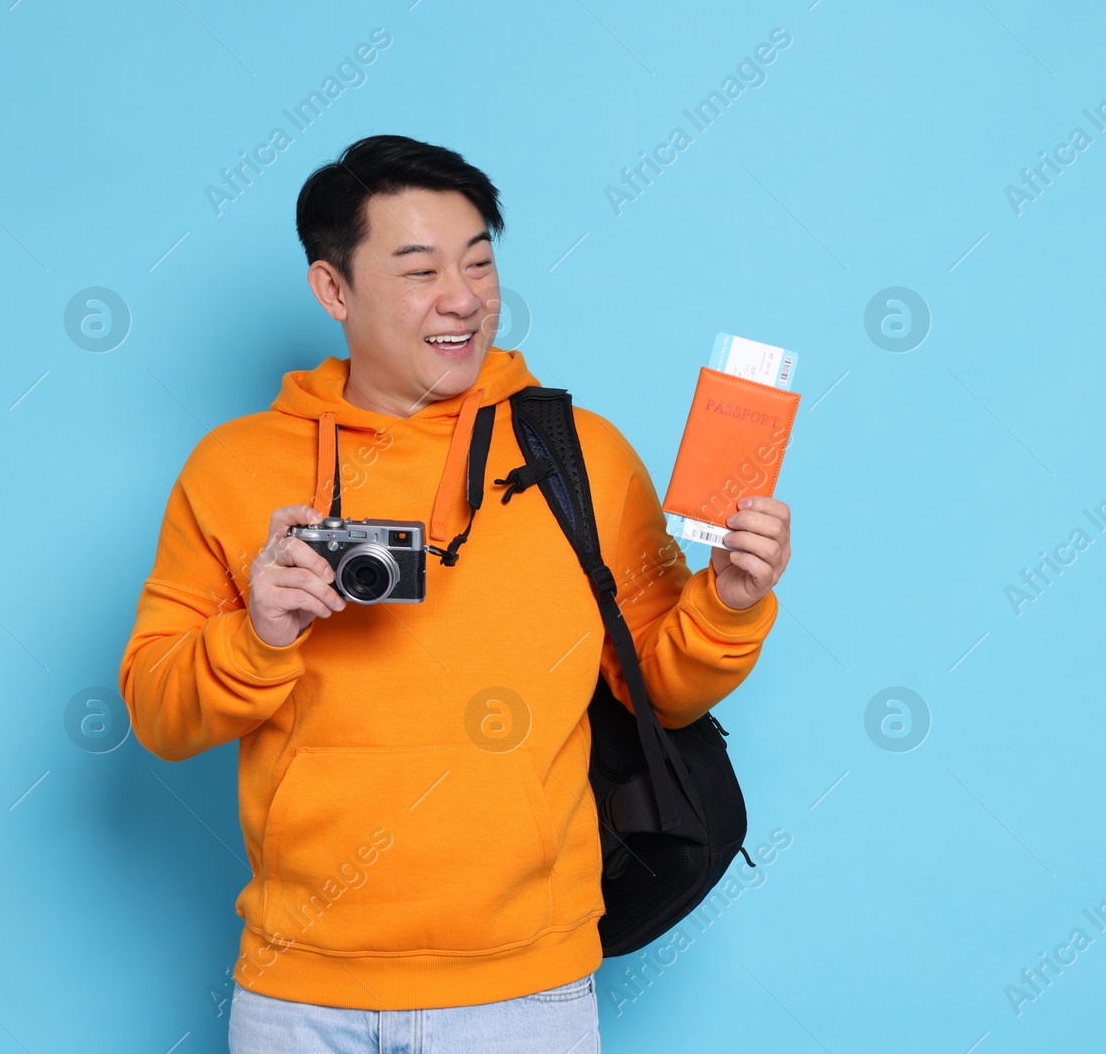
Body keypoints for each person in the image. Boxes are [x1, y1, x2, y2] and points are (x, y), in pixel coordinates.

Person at [118, 135, 792, 1053]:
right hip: (298, 994)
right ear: (332, 290)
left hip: (527, 993)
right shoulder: (233, 468)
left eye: (479, 261)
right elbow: (158, 714)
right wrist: (258, 632)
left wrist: (732, 599)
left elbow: (661, 689)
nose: (464, 298)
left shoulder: (579, 454)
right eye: (420, 269)